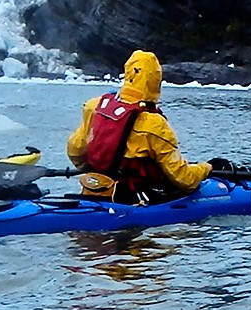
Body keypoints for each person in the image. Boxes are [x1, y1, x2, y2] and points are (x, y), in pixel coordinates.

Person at [66, 49, 228, 204]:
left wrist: (97, 174)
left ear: (128, 73)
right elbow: (184, 179)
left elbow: (75, 150)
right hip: (133, 200)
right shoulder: (154, 124)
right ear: (156, 80)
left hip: (93, 191)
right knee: (180, 233)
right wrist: (207, 167)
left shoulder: (95, 106)